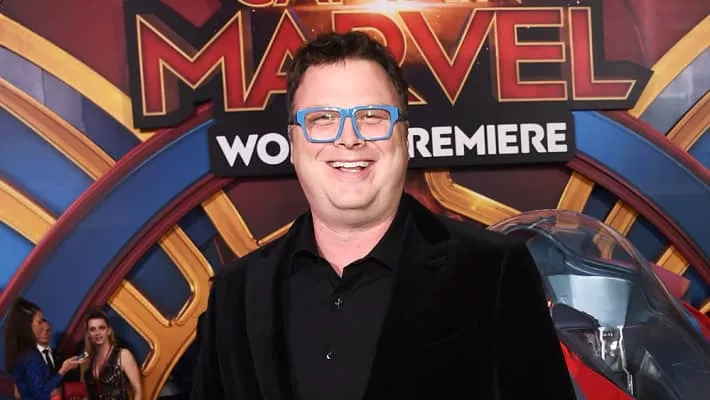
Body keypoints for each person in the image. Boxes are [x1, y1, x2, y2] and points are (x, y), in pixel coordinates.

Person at [191, 31, 577, 399]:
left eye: (371, 116)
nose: (348, 138)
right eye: (322, 119)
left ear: (404, 137)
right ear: (293, 142)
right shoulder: (235, 294)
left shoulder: (493, 272)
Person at [4, 297, 82, 399]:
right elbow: (40, 394)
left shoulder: (20, 353)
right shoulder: (30, 356)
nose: (43, 327)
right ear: (28, 326)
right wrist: (63, 370)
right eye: (39, 322)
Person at [80, 309, 142, 400]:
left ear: (108, 331)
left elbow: (138, 392)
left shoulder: (123, 355)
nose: (97, 333)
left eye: (101, 328)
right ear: (88, 334)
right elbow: (87, 394)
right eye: (92, 329)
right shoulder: (87, 360)